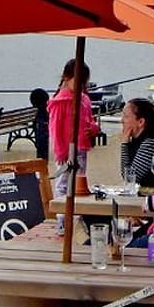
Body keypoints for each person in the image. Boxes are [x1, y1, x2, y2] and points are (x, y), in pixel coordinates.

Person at [48, 60, 102, 229]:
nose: (80, 86)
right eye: (77, 82)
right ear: (66, 78)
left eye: (83, 83)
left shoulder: (84, 99)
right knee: (63, 185)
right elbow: (55, 130)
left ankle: (76, 219)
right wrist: (61, 153)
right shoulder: (61, 101)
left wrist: (93, 129)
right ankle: (63, 221)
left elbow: (90, 121)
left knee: (79, 184)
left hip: (81, 148)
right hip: (67, 150)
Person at [118, 98, 154, 191]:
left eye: (126, 116)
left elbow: (130, 178)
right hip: (148, 192)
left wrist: (124, 144)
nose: (121, 120)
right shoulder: (141, 138)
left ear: (141, 122)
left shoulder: (150, 143)